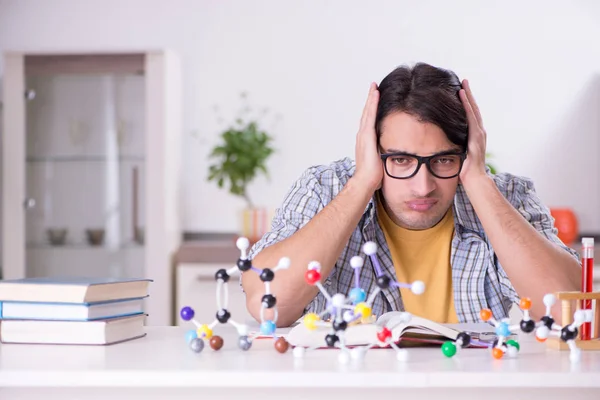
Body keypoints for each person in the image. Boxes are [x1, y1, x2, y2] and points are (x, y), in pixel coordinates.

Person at [241, 62, 581, 328]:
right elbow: (268, 306)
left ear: (468, 150)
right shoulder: (325, 188)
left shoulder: (508, 196)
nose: (423, 186)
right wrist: (361, 183)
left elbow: (571, 312)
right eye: (400, 160)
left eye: (444, 159)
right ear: (371, 149)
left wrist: (477, 180)